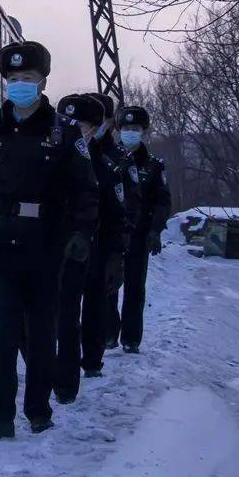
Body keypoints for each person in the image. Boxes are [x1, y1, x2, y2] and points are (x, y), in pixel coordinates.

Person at [0, 41, 99, 439]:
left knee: (41, 333)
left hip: (46, 246)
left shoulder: (64, 133)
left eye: (29, 79)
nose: (20, 86)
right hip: (1, 245)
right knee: (0, 334)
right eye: (14, 79)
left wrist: (81, 234)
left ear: (43, 82)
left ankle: (38, 408)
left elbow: (86, 190)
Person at [54, 93, 126, 402]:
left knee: (92, 306)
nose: (77, 130)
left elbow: (118, 214)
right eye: (70, 123)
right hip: (60, 247)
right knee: (62, 315)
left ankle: (90, 360)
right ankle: (63, 378)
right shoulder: (54, 155)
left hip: (95, 247)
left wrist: (115, 254)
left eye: (83, 125)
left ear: (99, 127)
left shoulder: (108, 163)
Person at [110, 105, 171, 353]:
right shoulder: (110, 159)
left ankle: (131, 338)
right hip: (111, 234)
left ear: (144, 133)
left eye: (135, 129)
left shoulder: (154, 166)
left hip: (139, 235)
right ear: (118, 131)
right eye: (125, 129)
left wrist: (155, 230)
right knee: (108, 284)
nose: (130, 133)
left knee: (135, 287)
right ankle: (107, 334)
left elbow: (162, 202)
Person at [88, 92, 142, 350]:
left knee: (111, 287)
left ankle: (111, 335)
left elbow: (131, 201)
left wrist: (126, 235)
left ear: (109, 123)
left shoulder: (120, 158)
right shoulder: (76, 152)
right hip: (83, 234)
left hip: (112, 235)